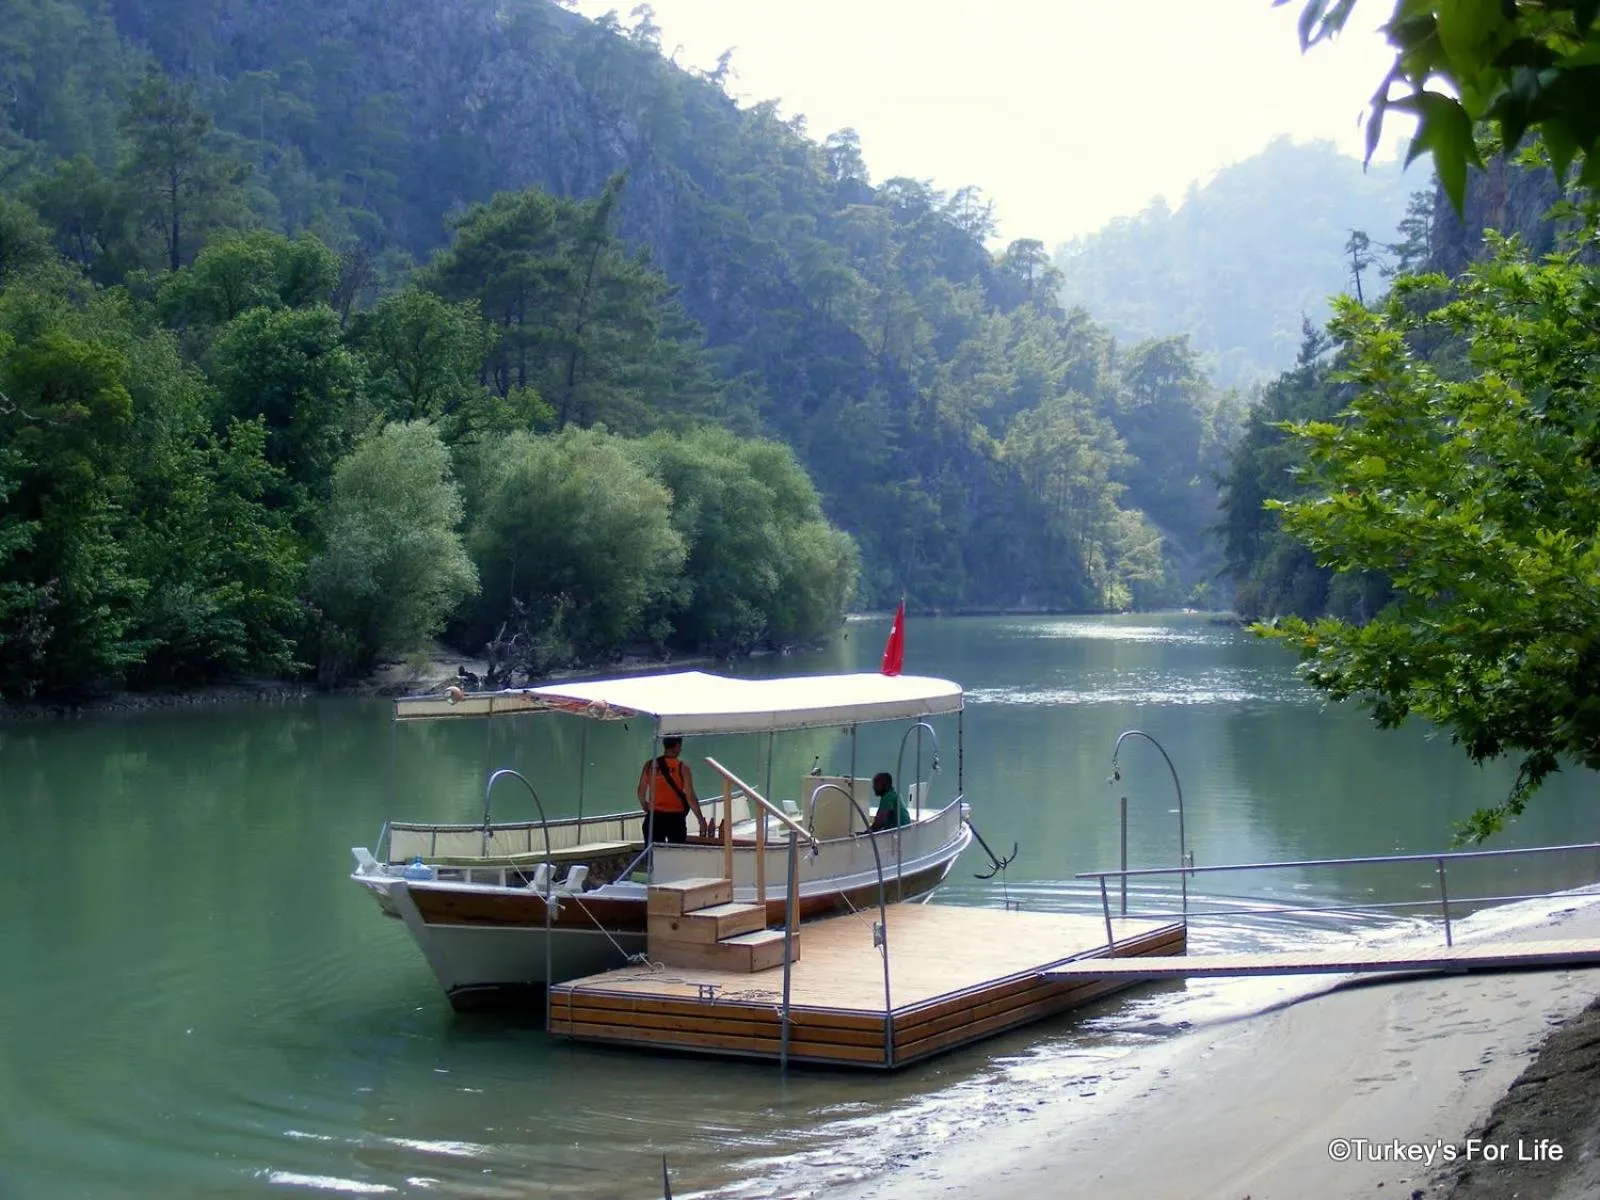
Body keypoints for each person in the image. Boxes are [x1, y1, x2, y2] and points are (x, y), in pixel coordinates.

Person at [636, 736, 709, 844]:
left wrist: (644, 805)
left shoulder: (650, 765)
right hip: (675, 818)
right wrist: (700, 820)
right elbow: (690, 797)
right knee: (677, 855)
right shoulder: (682, 768)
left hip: (654, 817)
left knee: (654, 856)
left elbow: (641, 791)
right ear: (678, 746)